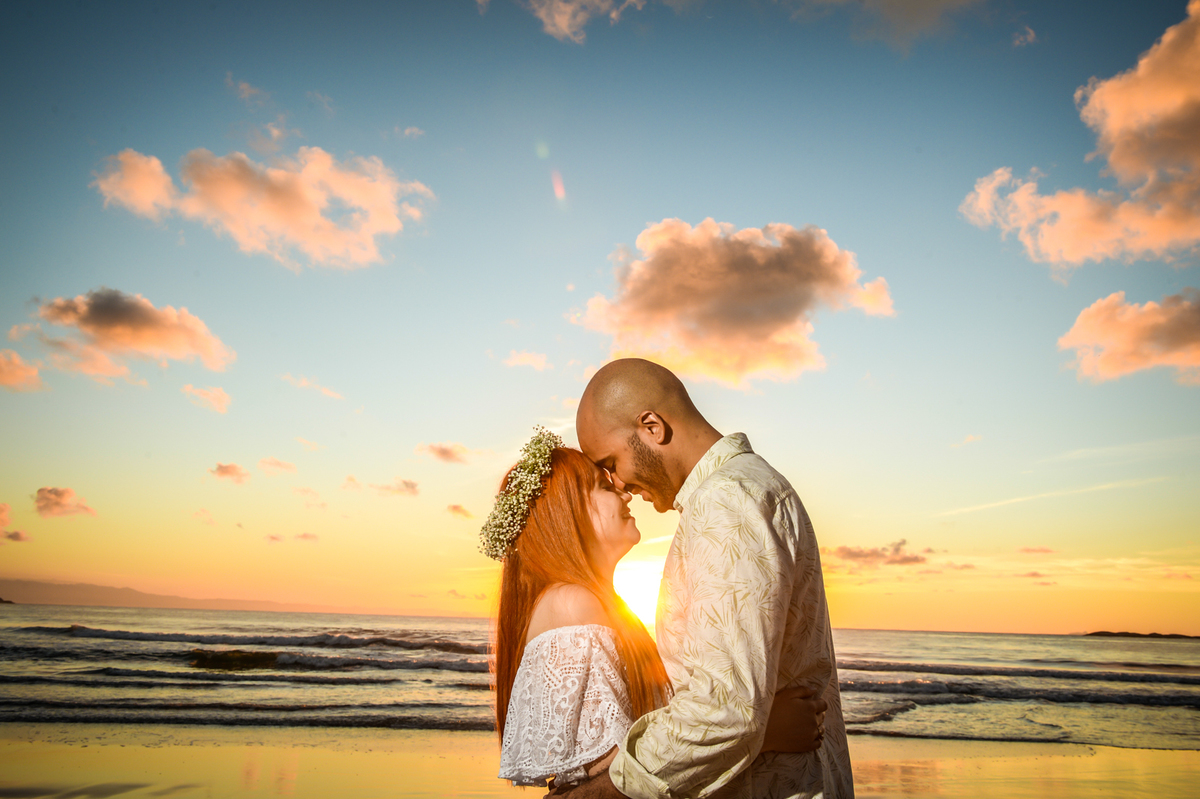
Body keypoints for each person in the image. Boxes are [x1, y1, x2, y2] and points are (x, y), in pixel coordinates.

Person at [481, 428, 828, 791]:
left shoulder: (594, 604)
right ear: (564, 513)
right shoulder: (572, 604)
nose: (623, 490)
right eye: (603, 485)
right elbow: (612, 774)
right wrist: (764, 733)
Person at [567, 358, 853, 799]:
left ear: (651, 427)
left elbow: (725, 711)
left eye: (611, 461)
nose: (618, 484)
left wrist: (603, 792)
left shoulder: (726, 501)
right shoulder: (747, 488)